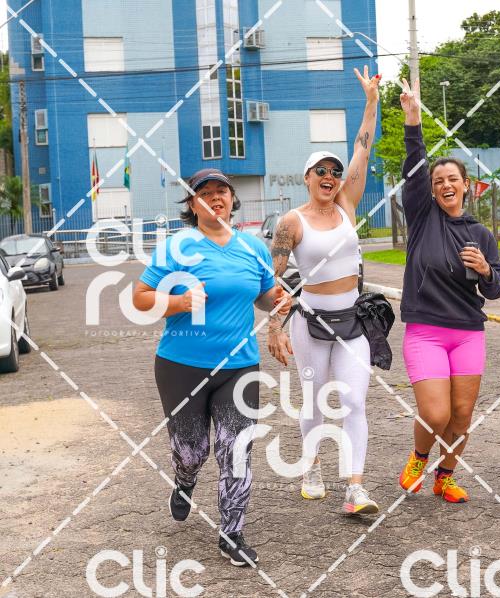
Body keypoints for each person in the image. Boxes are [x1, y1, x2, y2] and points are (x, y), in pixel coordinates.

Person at [132, 168, 290, 566]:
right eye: (205, 192)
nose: (215, 197)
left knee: (235, 450)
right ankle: (184, 480)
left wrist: (278, 302)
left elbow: (264, 296)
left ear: (232, 200)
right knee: (191, 451)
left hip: (239, 366)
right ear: (192, 203)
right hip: (181, 365)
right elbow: (140, 298)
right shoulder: (176, 247)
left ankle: (231, 533)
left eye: (222, 191)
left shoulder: (252, 247)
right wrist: (178, 303)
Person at [266, 66, 381, 514]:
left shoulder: (347, 204)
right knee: (314, 401)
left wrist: (371, 102)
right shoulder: (291, 222)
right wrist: (274, 326)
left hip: (353, 320)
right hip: (310, 322)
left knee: (353, 400)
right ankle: (311, 465)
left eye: (334, 170)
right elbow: (274, 279)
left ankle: (355, 488)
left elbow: (362, 149)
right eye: (321, 171)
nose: (330, 175)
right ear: (307, 177)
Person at [395, 78, 500, 504]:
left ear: (466, 185)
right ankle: (419, 458)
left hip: (468, 332)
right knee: (436, 412)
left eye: (452, 179)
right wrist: (413, 120)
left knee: (461, 415)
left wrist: (485, 271)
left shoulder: (481, 233)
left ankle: (445, 476)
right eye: (438, 179)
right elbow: (414, 167)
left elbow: (496, 289)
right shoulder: (423, 216)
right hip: (426, 330)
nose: (445, 184)